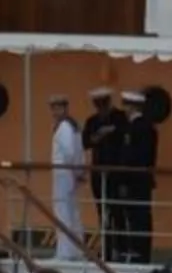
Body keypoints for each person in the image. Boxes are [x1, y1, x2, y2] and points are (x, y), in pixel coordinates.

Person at [115, 89, 160, 263]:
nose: (124, 109)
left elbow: (134, 157)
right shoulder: (144, 126)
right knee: (138, 217)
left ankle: (139, 252)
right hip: (141, 181)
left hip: (136, 181)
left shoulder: (139, 127)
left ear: (132, 107)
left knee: (138, 217)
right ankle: (139, 251)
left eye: (126, 105)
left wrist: (124, 180)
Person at [82, 86, 125, 255]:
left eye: (102, 104)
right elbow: (85, 142)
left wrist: (113, 132)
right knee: (102, 211)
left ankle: (120, 248)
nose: (100, 108)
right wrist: (99, 135)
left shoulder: (120, 118)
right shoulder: (92, 121)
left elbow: (125, 139)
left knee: (118, 211)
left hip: (116, 172)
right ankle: (107, 248)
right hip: (98, 172)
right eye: (97, 105)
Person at [45, 92, 85, 260]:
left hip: (63, 172)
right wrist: (78, 171)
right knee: (72, 211)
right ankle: (77, 249)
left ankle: (65, 252)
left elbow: (69, 151)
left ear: (64, 108)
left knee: (62, 211)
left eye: (58, 108)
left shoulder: (64, 127)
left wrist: (74, 170)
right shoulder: (73, 125)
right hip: (70, 172)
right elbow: (79, 152)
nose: (55, 112)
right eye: (53, 108)